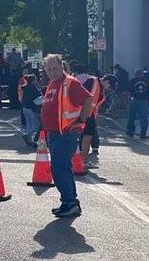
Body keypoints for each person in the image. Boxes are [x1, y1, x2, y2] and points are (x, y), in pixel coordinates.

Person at [40, 54, 92, 218]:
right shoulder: (53, 83)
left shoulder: (70, 82)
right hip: (54, 133)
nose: (53, 72)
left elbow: (88, 99)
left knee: (58, 167)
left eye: (55, 68)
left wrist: (81, 121)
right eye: (49, 69)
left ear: (62, 66)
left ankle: (69, 202)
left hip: (65, 133)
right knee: (63, 168)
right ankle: (69, 202)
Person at [72, 63, 103, 163]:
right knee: (88, 133)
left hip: (81, 111)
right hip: (87, 112)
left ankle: (80, 159)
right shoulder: (93, 80)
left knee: (83, 134)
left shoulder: (76, 78)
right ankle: (82, 158)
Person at [126, 69, 149, 139]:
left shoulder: (132, 81)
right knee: (143, 117)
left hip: (133, 100)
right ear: (142, 74)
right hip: (144, 100)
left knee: (131, 117)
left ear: (135, 74)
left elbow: (129, 92)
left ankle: (130, 132)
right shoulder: (147, 80)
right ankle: (143, 133)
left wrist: (129, 100)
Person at [21, 74, 42, 147]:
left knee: (29, 125)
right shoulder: (34, 88)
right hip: (31, 108)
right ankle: (27, 135)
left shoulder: (25, 88)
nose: (36, 81)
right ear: (33, 81)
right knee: (35, 126)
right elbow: (40, 98)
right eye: (35, 79)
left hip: (24, 108)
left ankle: (29, 141)